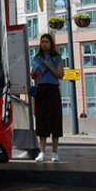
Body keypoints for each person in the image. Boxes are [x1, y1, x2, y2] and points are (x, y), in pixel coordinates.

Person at [30, 33, 64, 162]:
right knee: (41, 121)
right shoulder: (37, 58)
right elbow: (34, 76)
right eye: (42, 42)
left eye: (46, 42)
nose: (44, 44)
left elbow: (61, 75)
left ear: (51, 44)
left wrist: (48, 65)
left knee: (55, 120)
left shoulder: (57, 58)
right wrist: (34, 71)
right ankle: (42, 152)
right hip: (41, 90)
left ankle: (54, 153)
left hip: (53, 90)